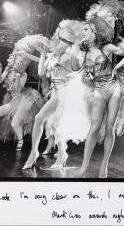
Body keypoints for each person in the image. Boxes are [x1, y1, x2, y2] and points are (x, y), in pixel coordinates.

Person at [73, 0, 124, 178]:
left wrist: (116, 68)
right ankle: (84, 167)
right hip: (99, 90)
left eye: (85, 29)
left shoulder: (106, 47)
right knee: (94, 127)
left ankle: (103, 166)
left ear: (94, 32)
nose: (82, 31)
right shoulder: (85, 52)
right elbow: (76, 68)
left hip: (113, 90)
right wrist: (75, 49)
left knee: (109, 128)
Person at [22, 20, 83, 170]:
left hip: (65, 95)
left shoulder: (70, 56)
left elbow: (80, 70)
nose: (56, 41)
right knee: (52, 124)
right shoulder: (56, 55)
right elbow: (41, 73)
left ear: (68, 42)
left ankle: (43, 153)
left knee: (47, 121)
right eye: (57, 38)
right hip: (56, 92)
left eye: (60, 39)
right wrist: (42, 54)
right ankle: (56, 153)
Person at [0, 35, 46, 151]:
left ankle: (21, 140)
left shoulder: (22, 74)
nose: (7, 59)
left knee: (15, 123)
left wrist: (17, 78)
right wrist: (2, 69)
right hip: (12, 100)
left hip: (22, 100)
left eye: (10, 58)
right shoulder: (8, 70)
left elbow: (17, 90)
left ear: (15, 60)